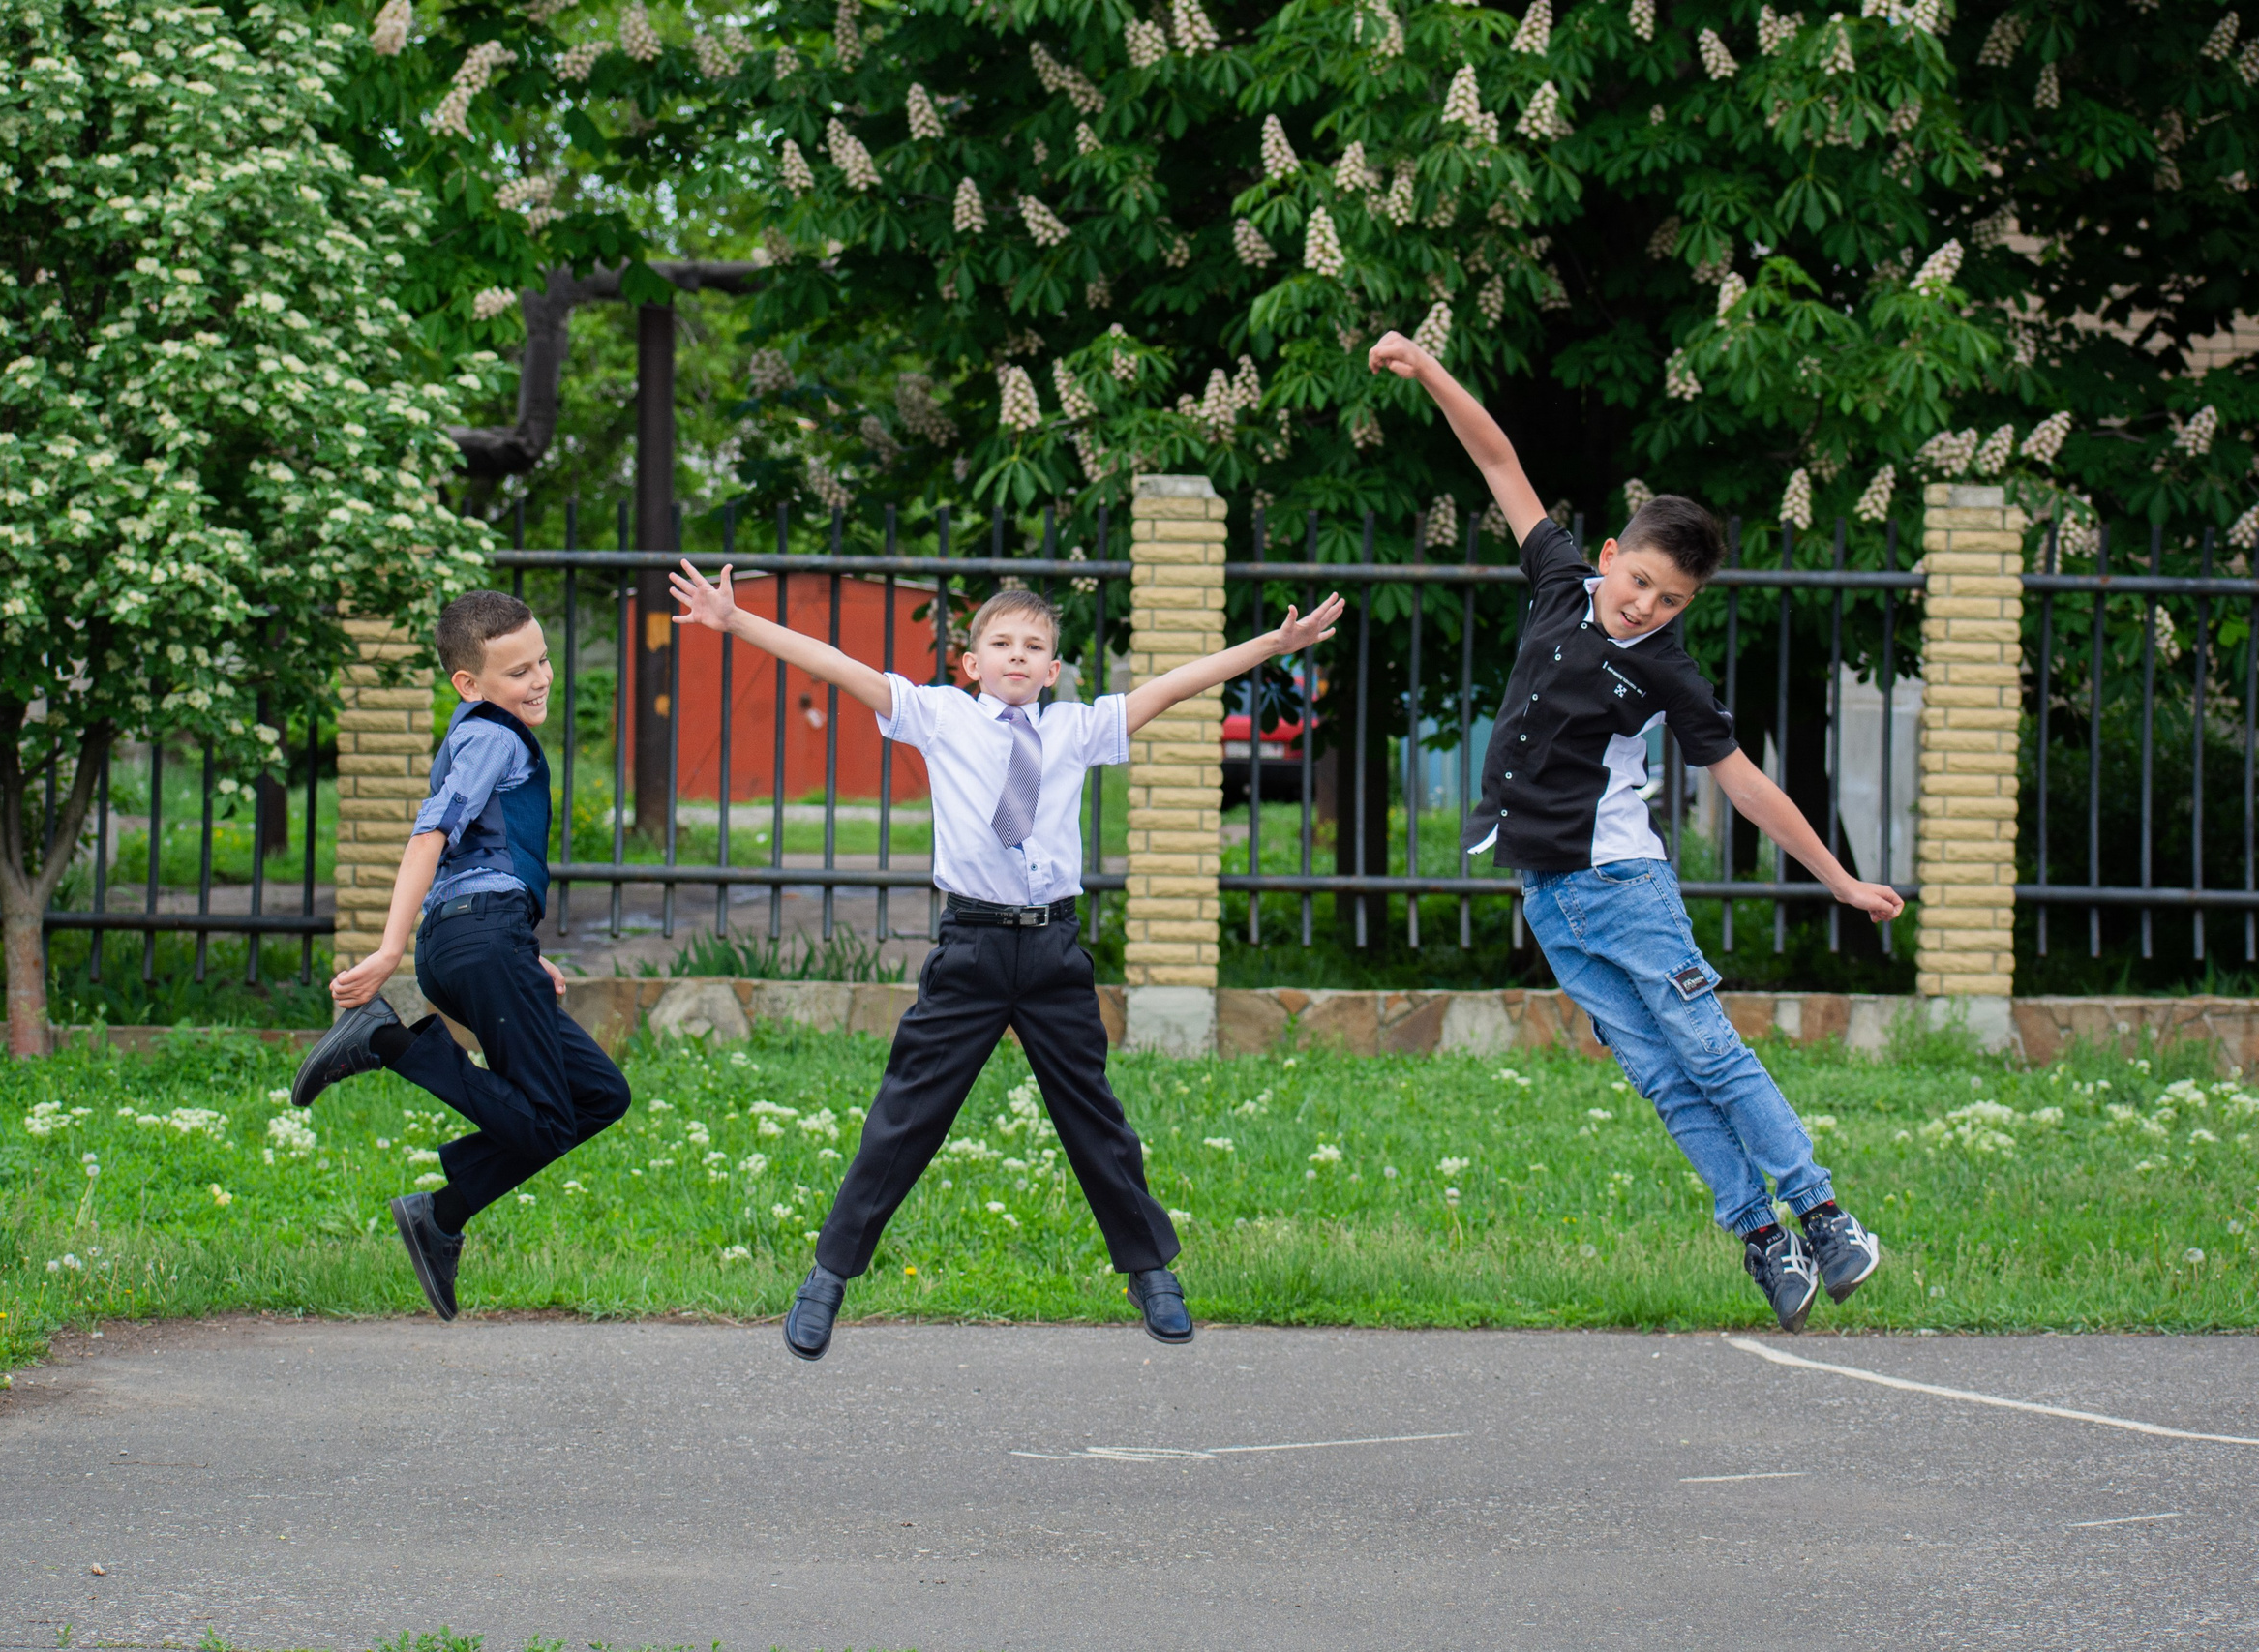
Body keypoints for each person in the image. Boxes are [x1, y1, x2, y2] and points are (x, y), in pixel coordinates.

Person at [667, 557, 1344, 1360]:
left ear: (1053, 668)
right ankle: (829, 1275)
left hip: (1054, 949)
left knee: (1094, 1117)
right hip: (974, 948)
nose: (1017, 654)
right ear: (972, 662)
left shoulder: (1074, 729)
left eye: (1034, 645)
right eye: (1001, 642)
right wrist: (735, 621)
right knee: (906, 1115)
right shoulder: (939, 716)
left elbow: (1175, 686)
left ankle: (1150, 1269)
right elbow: (840, 667)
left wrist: (1274, 643)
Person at [1366, 330, 1901, 1332]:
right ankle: (1760, 1236)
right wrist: (1430, 368)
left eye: (1671, 600)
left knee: (1707, 1049)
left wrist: (1835, 876)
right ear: (1610, 555)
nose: (1645, 606)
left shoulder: (1667, 671)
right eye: (1639, 582)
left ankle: (1825, 1216)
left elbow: (1743, 783)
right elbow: (1497, 461)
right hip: (1549, 893)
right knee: (1659, 1076)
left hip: (1621, 884)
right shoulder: (1561, 583)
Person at [290, 590, 632, 1322]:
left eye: (542, 660)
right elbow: (430, 838)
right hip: (478, 940)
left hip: (482, 939)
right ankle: (385, 1039)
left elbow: (479, 860)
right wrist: (389, 949)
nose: (538, 679)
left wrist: (515, 951)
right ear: (469, 684)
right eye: (517, 672)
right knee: (546, 1123)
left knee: (600, 1094)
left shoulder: (483, 732)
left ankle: (440, 1213)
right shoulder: (494, 738)